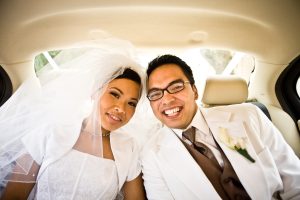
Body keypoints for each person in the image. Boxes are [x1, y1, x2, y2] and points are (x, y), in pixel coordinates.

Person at [141, 54, 300, 200]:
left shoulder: (249, 115)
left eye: (176, 87)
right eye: (155, 94)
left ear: (195, 91)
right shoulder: (151, 155)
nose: (167, 100)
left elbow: (295, 182)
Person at [0, 49, 146, 200]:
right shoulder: (49, 131)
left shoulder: (130, 148)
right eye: (114, 94)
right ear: (95, 91)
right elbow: (14, 195)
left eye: (131, 103)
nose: (121, 109)